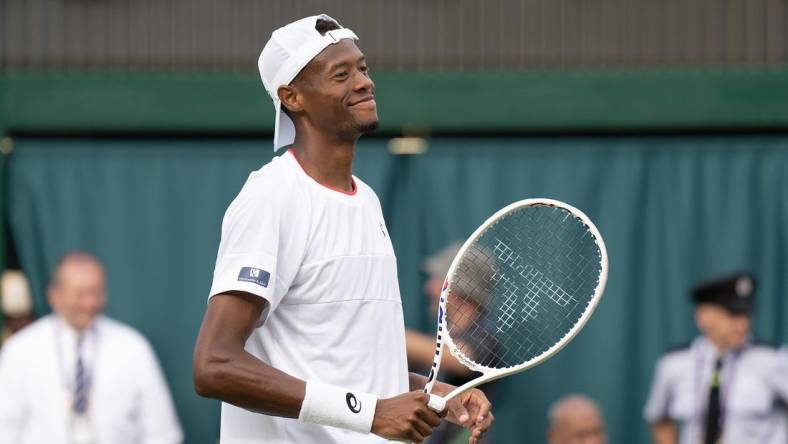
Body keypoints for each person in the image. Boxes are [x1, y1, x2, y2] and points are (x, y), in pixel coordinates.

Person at [192, 14, 494, 444]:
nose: (364, 82)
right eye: (341, 74)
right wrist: (372, 414)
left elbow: (349, 366)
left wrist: (435, 394)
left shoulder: (366, 200)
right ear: (292, 97)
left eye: (363, 68)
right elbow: (213, 366)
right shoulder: (271, 197)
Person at [0, 252, 182, 444]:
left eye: (96, 293)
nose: (90, 303)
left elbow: (162, 433)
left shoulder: (133, 347)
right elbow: (5, 428)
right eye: (80, 294)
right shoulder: (20, 351)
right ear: (54, 295)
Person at [644, 272, 788, 444]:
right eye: (732, 315)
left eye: (746, 314)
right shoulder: (674, 363)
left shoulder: (774, 359)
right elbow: (659, 418)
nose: (742, 324)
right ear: (702, 317)